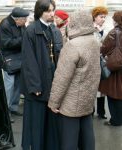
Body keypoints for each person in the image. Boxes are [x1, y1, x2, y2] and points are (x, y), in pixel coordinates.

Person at [48, 10, 101, 150]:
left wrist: (54, 102)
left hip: (71, 102)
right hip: (88, 98)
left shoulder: (72, 45)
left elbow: (62, 78)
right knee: (87, 135)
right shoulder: (94, 42)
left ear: (76, 23)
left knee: (69, 140)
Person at [20, 0, 63, 150]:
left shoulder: (55, 30)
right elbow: (28, 61)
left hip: (52, 83)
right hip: (38, 86)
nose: (53, 13)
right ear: (40, 11)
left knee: (51, 123)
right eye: (49, 11)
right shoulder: (30, 31)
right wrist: (35, 85)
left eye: (53, 10)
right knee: (37, 124)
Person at [0, 7, 29, 120]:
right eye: (24, 19)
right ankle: (6, 112)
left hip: (20, 58)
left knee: (17, 84)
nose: (26, 21)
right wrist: (23, 39)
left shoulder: (21, 24)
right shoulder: (4, 24)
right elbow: (6, 43)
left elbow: (24, 36)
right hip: (9, 59)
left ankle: (13, 108)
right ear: (17, 19)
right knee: (9, 86)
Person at [99, 11, 122, 126]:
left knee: (113, 93)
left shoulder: (114, 32)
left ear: (117, 20)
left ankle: (115, 120)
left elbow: (104, 48)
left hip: (114, 68)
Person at [92, 6, 108, 119]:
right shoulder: (90, 29)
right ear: (95, 17)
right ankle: (90, 111)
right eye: (101, 17)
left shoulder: (105, 30)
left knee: (102, 87)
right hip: (91, 62)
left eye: (104, 17)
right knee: (92, 87)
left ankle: (101, 112)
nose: (103, 19)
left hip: (102, 61)